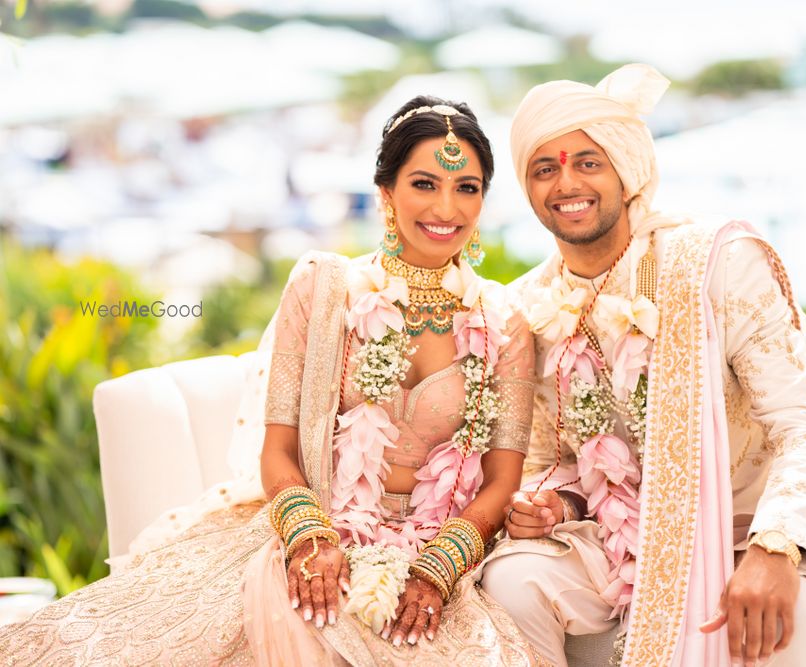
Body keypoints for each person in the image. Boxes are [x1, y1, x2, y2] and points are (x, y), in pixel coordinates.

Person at [0, 97, 541, 666]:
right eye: (425, 183)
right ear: (386, 192)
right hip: (320, 525)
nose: (447, 207)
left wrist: (441, 565)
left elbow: (500, 482)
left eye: (468, 187)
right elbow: (279, 450)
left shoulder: (503, 323)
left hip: (438, 552)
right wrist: (310, 538)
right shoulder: (322, 289)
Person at [479, 64, 806, 667]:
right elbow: (559, 463)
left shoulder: (717, 263)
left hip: (753, 528)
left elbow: (805, 426)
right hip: (622, 539)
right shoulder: (529, 306)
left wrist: (777, 549)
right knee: (512, 581)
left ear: (625, 171)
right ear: (527, 188)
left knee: (778, 630)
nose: (567, 182)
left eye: (588, 162)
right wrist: (554, 506)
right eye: (544, 168)